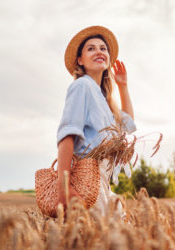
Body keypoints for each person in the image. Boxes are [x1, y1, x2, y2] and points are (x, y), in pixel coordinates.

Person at [57, 25, 136, 217]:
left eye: (103, 48)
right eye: (91, 48)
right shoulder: (82, 86)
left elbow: (128, 124)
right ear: (80, 60)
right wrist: (64, 187)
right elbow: (67, 135)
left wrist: (123, 86)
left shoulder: (104, 98)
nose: (99, 51)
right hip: (87, 178)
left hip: (104, 181)